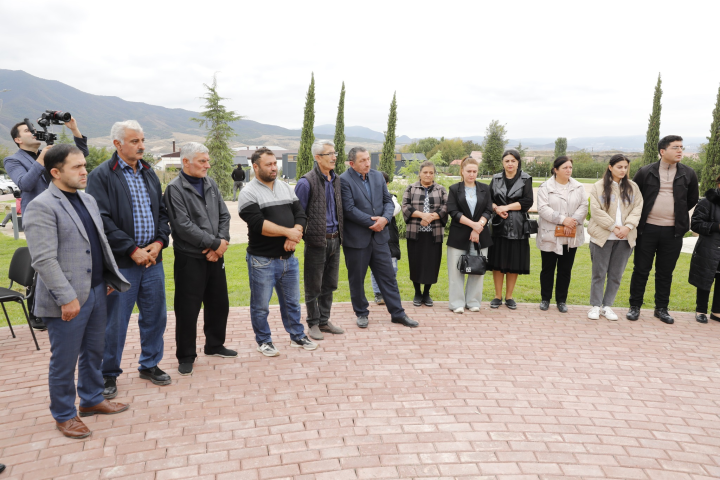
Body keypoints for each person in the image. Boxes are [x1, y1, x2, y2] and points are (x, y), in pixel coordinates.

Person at [23, 144, 131, 439]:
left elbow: (98, 244)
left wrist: (107, 278)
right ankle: (64, 414)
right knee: (64, 360)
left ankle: (92, 398)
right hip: (67, 300)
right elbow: (44, 259)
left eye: (84, 165)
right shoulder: (42, 206)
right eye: (77, 167)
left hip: (97, 290)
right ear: (55, 172)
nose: (85, 171)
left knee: (94, 351)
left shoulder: (87, 199)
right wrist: (66, 298)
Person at [85, 120, 172, 399]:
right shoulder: (101, 175)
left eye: (142, 140)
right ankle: (108, 373)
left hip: (153, 261)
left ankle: (150, 364)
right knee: (115, 322)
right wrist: (132, 249)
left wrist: (159, 243)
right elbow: (101, 219)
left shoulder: (149, 172)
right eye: (135, 141)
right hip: (122, 263)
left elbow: (161, 213)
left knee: (155, 316)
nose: (141, 146)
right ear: (117, 144)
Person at [3, 116, 89, 331]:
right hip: (39, 217)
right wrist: (42, 159)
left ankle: (70, 301)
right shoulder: (13, 160)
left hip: (65, 212)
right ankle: (37, 312)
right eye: (26, 130)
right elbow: (25, 184)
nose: (32, 132)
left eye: (32, 129)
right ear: (17, 140)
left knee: (67, 260)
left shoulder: (49, 153)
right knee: (42, 264)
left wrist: (74, 130)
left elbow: (80, 156)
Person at [238, 147, 317, 356]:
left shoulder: (285, 187)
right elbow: (258, 224)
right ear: (256, 167)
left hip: (288, 259)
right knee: (261, 306)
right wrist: (289, 233)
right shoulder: (248, 193)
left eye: (275, 163)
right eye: (269, 165)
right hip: (262, 261)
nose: (274, 168)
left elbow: (301, 214)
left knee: (292, 303)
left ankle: (297, 336)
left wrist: (294, 234)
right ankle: (264, 341)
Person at [163, 142, 234, 376]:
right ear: (186, 162)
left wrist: (221, 243)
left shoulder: (210, 183)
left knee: (219, 304)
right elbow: (182, 226)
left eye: (208, 160)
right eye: (202, 161)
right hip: (190, 258)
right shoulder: (174, 189)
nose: (208, 165)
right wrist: (214, 243)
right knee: (187, 309)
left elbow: (224, 215)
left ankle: (214, 345)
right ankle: (186, 356)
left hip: (215, 256)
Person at [340, 147, 418, 328]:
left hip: (380, 238)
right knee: (357, 280)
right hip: (357, 240)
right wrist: (373, 222)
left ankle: (398, 313)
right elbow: (349, 209)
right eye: (362, 160)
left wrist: (384, 219)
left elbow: (388, 201)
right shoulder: (343, 180)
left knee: (388, 277)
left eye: (368, 159)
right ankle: (361, 313)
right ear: (351, 163)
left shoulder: (377, 176)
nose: (367, 163)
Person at [627, 135, 699, 324]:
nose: (680, 151)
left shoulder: (689, 173)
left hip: (673, 232)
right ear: (662, 151)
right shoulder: (646, 172)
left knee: (665, 272)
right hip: (646, 230)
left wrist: (678, 214)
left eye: (681, 147)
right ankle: (634, 306)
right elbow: (633, 196)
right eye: (675, 147)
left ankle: (661, 309)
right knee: (641, 270)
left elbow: (692, 199)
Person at [294, 140, 345, 340]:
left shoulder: (336, 179)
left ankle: (324, 320)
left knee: (330, 284)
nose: (334, 157)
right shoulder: (306, 182)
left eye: (335, 153)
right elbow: (298, 214)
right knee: (313, 285)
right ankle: (313, 323)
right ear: (317, 157)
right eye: (329, 154)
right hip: (317, 241)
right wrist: (304, 236)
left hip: (335, 240)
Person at [587, 154, 643, 321]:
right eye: (619, 167)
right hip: (602, 237)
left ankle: (607, 306)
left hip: (625, 239)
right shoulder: (598, 187)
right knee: (599, 273)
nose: (623, 170)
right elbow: (596, 211)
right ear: (610, 167)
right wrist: (613, 227)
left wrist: (628, 227)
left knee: (616, 275)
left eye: (625, 167)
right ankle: (595, 306)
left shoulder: (633, 187)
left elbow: (638, 208)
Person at [535, 156, 588, 313]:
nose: (568, 170)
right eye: (565, 167)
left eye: (570, 167)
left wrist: (572, 221)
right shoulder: (545, 187)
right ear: (555, 170)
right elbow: (543, 208)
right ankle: (545, 299)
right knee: (548, 269)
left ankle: (561, 300)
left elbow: (584, 206)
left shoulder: (578, 187)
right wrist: (563, 220)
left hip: (570, 234)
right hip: (550, 235)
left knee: (565, 270)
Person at [487, 149, 534, 309]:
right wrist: (496, 208)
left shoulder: (526, 178)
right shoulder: (496, 178)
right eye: (507, 161)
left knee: (514, 262)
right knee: (497, 261)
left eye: (513, 161)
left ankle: (509, 297)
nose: (510, 164)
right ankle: (497, 296)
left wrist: (505, 207)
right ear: (503, 162)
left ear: (518, 162)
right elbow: (488, 199)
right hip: (498, 225)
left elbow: (527, 202)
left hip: (518, 226)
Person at [446, 157, 493, 313]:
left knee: (477, 269)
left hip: (480, 236)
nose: (472, 174)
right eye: (469, 171)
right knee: (455, 271)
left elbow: (488, 210)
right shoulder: (454, 189)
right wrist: (474, 225)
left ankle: (473, 302)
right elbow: (453, 211)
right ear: (462, 171)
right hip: (458, 236)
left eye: (474, 171)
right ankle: (456, 303)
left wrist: (478, 227)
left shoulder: (485, 188)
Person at [401, 161, 448, 306]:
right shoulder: (411, 188)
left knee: (432, 264)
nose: (428, 175)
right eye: (425, 172)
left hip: (434, 234)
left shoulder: (441, 189)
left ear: (434, 174)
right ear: (420, 173)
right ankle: (417, 292)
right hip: (415, 233)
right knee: (415, 262)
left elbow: (446, 207)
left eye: (431, 172)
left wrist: (430, 217)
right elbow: (405, 206)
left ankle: (426, 293)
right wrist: (423, 216)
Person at [688, 174, 720, 324]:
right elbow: (695, 224)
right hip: (709, 248)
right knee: (705, 278)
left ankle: (716, 312)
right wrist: (717, 226)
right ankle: (701, 311)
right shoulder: (707, 202)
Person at [371, 171, 401, 305]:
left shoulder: (392, 198)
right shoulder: (368, 198)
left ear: (387, 183)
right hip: (375, 237)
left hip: (390, 239)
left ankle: (390, 292)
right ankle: (378, 293)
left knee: (392, 267)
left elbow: (394, 210)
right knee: (376, 267)